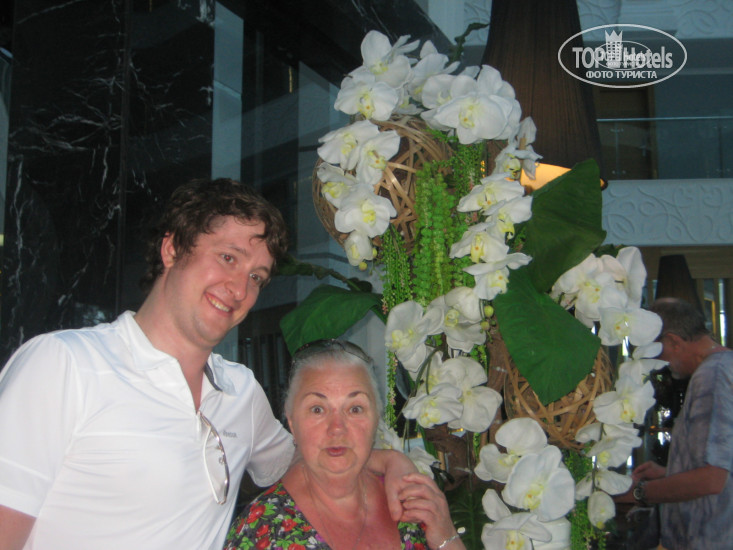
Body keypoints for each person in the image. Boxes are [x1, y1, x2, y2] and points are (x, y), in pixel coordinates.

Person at [0, 178, 415, 550]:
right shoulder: (65, 365)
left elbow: (305, 456)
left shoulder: (240, 390)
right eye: (228, 258)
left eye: (256, 277)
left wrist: (390, 462)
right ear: (172, 249)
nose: (240, 289)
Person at [224, 339, 466, 550]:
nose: (337, 428)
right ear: (292, 422)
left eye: (355, 409)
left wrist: (446, 538)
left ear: (376, 419)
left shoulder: (410, 501)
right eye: (317, 409)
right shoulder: (261, 530)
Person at [618, 297, 732, 549]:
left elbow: (712, 480)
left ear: (673, 341)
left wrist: (639, 493)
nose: (658, 362)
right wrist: (669, 474)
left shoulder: (711, 377)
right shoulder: (726, 366)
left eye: (656, 350)